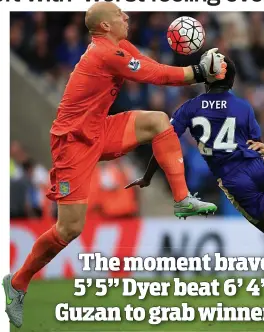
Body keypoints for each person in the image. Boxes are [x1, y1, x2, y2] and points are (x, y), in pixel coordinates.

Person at [3, 3, 227, 328]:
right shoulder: (103, 53)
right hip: (73, 144)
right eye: (119, 15)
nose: (126, 17)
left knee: (159, 122)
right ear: (105, 26)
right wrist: (198, 72)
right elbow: (155, 75)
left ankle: (181, 199)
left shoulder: (120, 47)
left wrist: (196, 70)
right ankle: (18, 283)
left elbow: (149, 65)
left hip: (99, 129)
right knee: (70, 228)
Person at [127, 57, 264, 243]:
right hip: (259, 169)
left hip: (235, 180)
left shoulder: (190, 108)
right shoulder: (243, 106)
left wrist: (148, 176)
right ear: (231, 81)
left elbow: (163, 143)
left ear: (206, 80)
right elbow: (257, 144)